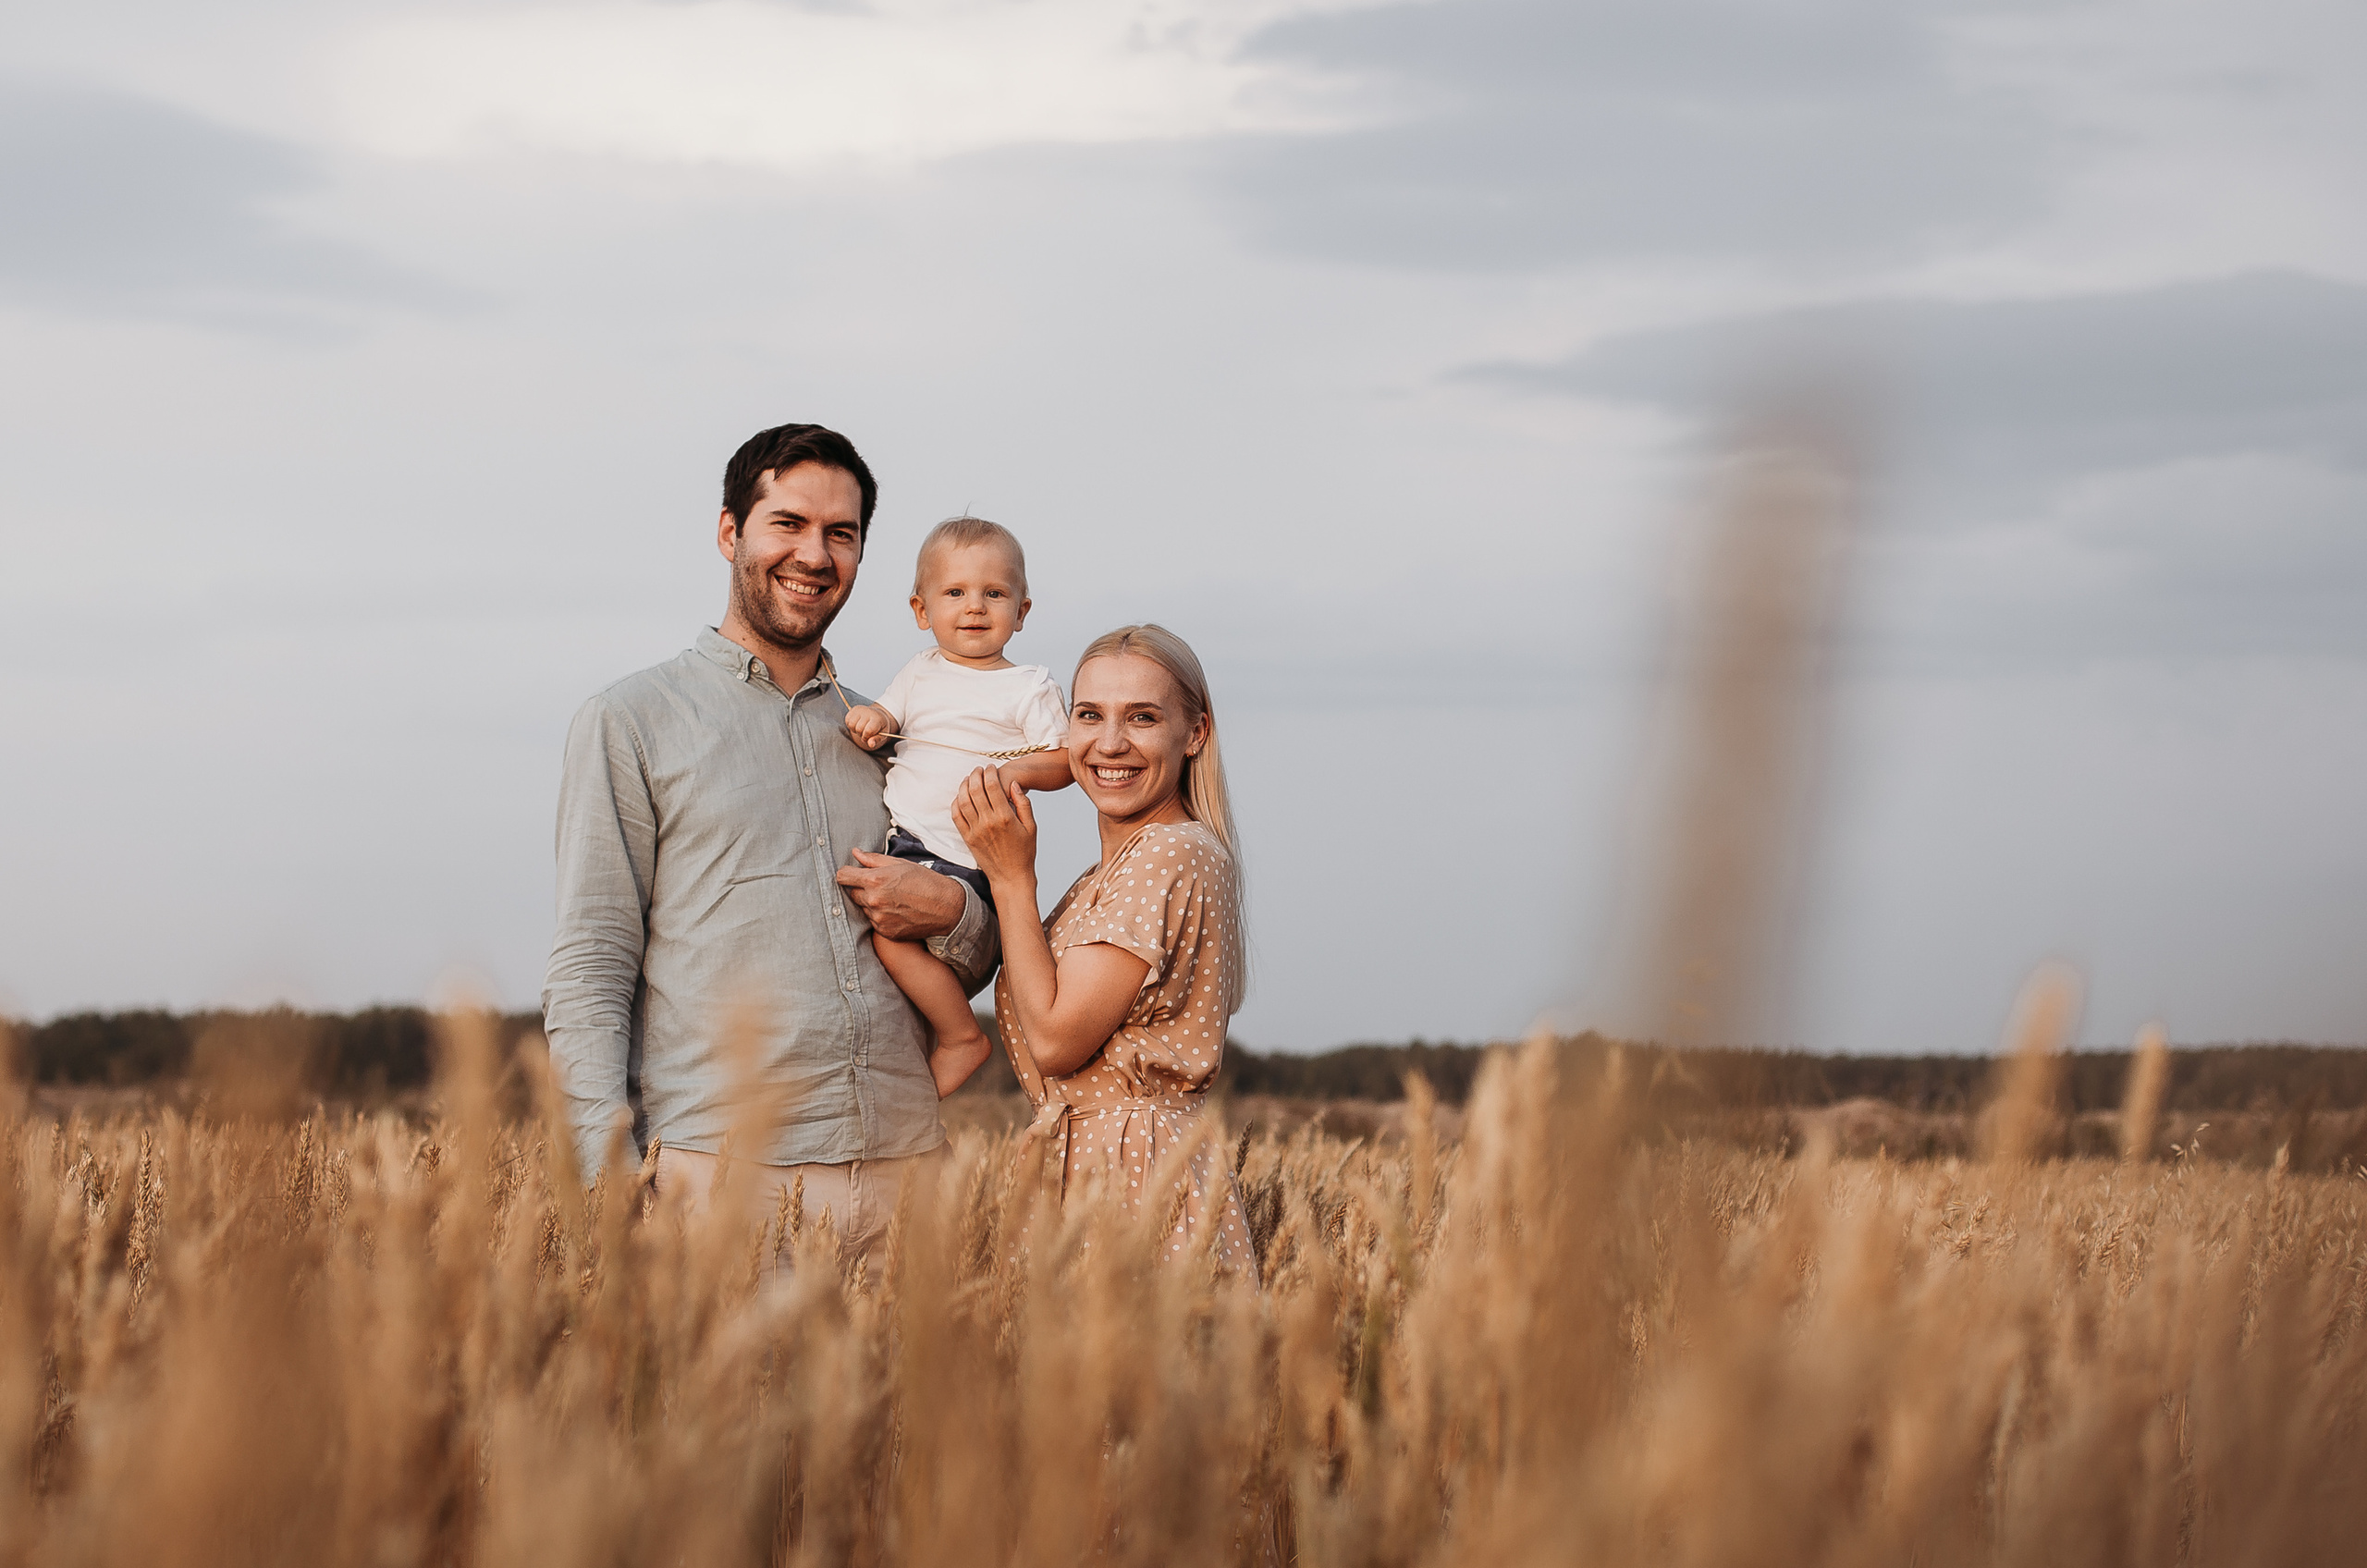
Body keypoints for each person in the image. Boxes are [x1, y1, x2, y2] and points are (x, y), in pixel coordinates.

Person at [542, 423, 996, 1261]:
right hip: (720, 1184)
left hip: (911, 1182)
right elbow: (594, 963)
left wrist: (955, 912)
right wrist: (599, 1177)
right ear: (729, 533)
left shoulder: (901, 736)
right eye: (787, 523)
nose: (814, 555)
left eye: (841, 533)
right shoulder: (631, 721)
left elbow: (978, 945)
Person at [951, 624, 1253, 1271]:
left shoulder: (1171, 851)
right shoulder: (1104, 876)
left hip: (1132, 1176)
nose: (1110, 743)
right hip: (1088, 1169)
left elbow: (1057, 1040)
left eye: (1142, 718)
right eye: (1090, 715)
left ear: (1194, 734)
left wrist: (1009, 876)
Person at [841, 516, 1074, 1097]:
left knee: (889, 939)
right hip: (908, 843)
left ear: (1021, 612)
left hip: (970, 859)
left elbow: (1066, 759)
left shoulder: (1028, 685)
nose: (974, 607)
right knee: (877, 939)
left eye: (994, 594)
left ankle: (960, 1036)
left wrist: (1015, 770)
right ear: (922, 611)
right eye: (955, 593)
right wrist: (875, 723)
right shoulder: (919, 671)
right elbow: (890, 718)